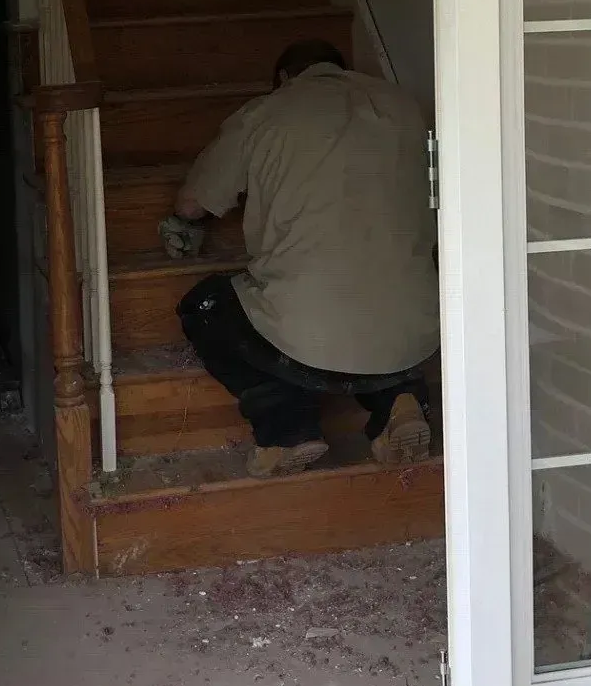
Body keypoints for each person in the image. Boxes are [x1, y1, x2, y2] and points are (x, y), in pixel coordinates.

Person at [160, 39, 438, 479]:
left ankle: (287, 430)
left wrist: (181, 222)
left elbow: (193, 204)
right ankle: (400, 400)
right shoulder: (404, 104)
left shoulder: (266, 112)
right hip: (418, 326)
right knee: (376, 300)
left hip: (310, 334)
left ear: (284, 79)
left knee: (205, 307)